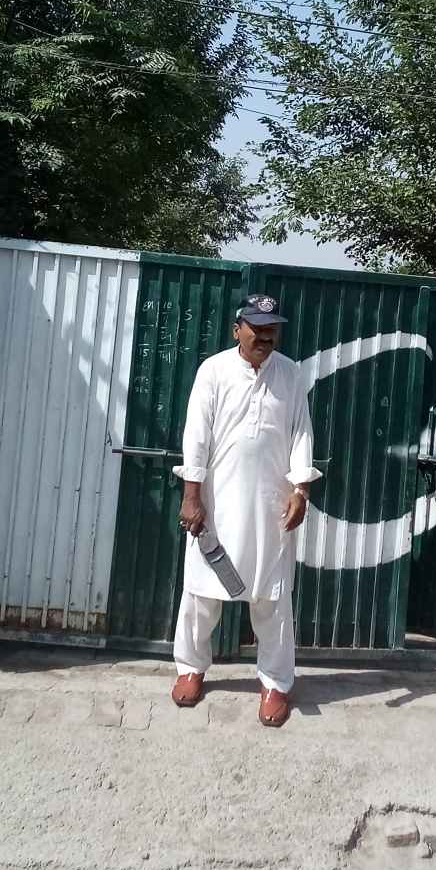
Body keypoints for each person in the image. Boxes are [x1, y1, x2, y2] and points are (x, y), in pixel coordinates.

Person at [170, 294, 322, 728]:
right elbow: (196, 435)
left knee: (272, 598)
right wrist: (192, 495)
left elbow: (301, 433)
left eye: (272, 328)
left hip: (271, 507)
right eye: (257, 327)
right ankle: (191, 668)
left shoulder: (290, 374)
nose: (266, 335)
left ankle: (275, 683)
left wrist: (300, 490)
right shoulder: (214, 370)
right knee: (202, 592)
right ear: (237, 329)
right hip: (217, 505)